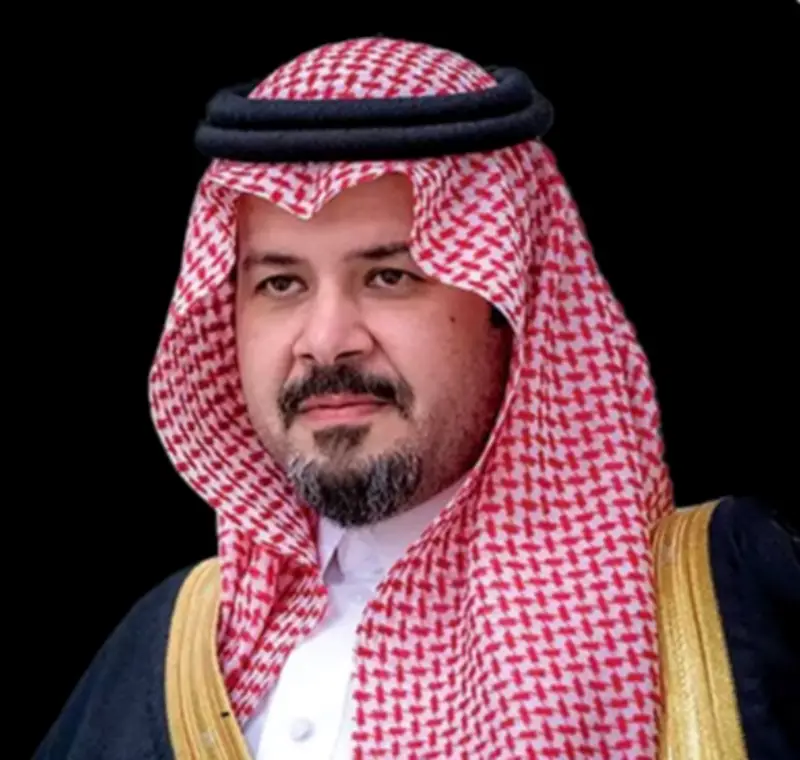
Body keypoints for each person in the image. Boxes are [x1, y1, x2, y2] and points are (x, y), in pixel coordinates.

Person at [36, 36, 798, 760]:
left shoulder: (737, 589)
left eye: (389, 276)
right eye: (281, 283)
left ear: (510, 308)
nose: (326, 340)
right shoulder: (167, 649)